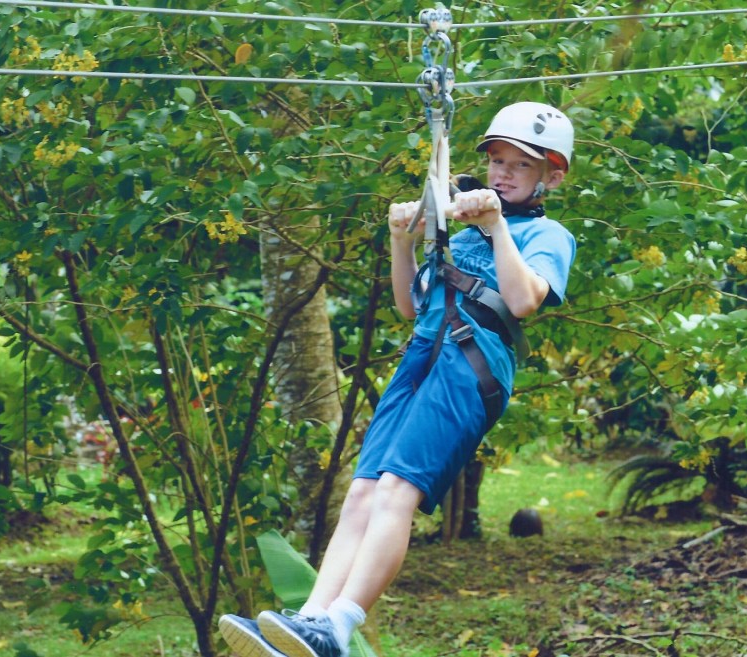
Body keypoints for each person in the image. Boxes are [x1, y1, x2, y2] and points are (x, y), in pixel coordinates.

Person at [219, 101, 577, 657]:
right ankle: (311, 617)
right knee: (362, 489)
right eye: (496, 162)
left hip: (471, 368)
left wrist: (496, 226)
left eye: (520, 166)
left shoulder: (547, 234)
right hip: (422, 357)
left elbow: (524, 300)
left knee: (396, 490)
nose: (502, 174)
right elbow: (411, 307)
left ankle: (338, 627)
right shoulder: (458, 233)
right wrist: (401, 241)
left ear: (551, 176)